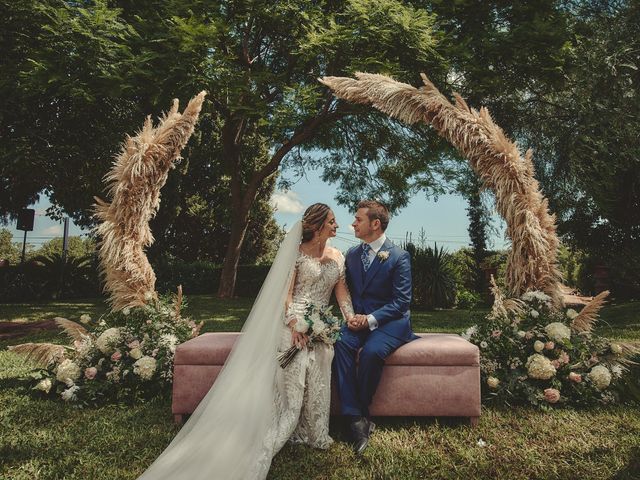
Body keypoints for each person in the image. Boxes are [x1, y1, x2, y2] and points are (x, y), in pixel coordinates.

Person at [138, 203, 354, 480]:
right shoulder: (296, 255)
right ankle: (280, 429)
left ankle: (315, 432)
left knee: (323, 357)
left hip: (321, 324)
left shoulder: (338, 256)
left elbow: (342, 293)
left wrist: (351, 317)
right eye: (332, 221)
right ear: (318, 225)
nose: (337, 226)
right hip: (292, 320)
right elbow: (285, 296)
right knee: (297, 362)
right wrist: (294, 323)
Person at [333, 199, 415, 454]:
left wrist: (368, 319)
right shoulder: (352, 255)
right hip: (357, 321)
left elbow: (402, 301)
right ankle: (355, 417)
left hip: (391, 323)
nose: (353, 223)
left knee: (371, 352)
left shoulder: (399, 257)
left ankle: (361, 410)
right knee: (340, 343)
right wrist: (352, 317)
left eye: (358, 219)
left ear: (375, 224)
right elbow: (347, 291)